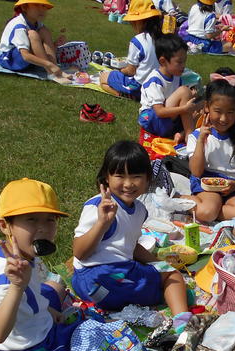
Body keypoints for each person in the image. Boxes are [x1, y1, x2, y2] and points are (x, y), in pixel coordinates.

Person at [71, 141, 193, 332]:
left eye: (136, 176)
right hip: (101, 278)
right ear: (106, 178)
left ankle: (122, 304)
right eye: (120, 176)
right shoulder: (99, 206)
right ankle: (183, 325)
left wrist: (159, 263)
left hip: (89, 286)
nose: (128, 184)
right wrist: (102, 223)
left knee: (164, 272)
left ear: (147, 179)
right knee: (174, 278)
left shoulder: (139, 210)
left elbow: (131, 244)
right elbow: (79, 252)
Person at [0, 178, 77, 351]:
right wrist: (17, 286)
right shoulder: (9, 278)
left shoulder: (21, 253)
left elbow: (34, 291)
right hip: (25, 347)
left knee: (55, 286)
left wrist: (49, 310)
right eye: (31, 219)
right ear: (5, 225)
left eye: (49, 220)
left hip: (25, 317)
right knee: (90, 330)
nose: (42, 228)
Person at [187, 68, 235, 222]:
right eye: (218, 111)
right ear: (206, 107)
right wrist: (201, 140)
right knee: (208, 211)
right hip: (207, 182)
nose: (223, 118)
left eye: (230, 112)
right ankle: (182, 200)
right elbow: (196, 171)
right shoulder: (197, 136)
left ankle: (210, 212)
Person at [138, 34, 202, 143]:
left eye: (184, 61)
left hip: (168, 118)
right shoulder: (155, 81)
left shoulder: (176, 76)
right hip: (152, 120)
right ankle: (189, 136)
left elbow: (177, 98)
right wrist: (184, 109)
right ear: (163, 61)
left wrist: (191, 96)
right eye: (179, 62)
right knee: (184, 92)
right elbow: (159, 112)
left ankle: (181, 134)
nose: (183, 65)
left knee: (202, 106)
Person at [99, 0, 161, 99]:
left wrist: (119, 70)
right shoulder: (164, 37)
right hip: (159, 86)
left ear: (140, 21)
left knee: (103, 79)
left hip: (140, 86)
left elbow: (131, 71)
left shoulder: (138, 41)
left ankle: (127, 95)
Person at [0, 0, 71, 83]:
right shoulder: (19, 26)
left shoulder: (37, 23)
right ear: (24, 7)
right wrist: (48, 64)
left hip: (25, 59)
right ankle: (51, 73)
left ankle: (56, 70)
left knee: (44, 31)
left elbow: (39, 46)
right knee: (33, 34)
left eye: (43, 6)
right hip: (10, 60)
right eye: (36, 5)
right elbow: (25, 56)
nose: (41, 9)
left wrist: (55, 45)